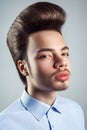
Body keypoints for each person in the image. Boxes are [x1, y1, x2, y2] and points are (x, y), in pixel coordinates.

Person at [0, 2, 86, 130]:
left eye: (65, 53)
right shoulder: (5, 124)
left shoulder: (76, 111)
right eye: (46, 55)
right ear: (23, 68)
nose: (62, 62)